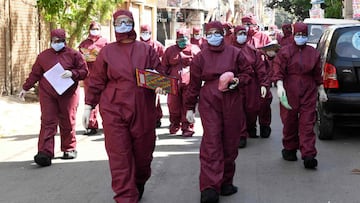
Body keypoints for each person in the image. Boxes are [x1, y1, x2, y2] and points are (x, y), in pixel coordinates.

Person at [82, 9, 164, 202]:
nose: (124, 25)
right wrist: (88, 106)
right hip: (113, 108)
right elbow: (96, 81)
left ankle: (139, 181)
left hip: (142, 107)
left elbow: (162, 77)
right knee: (119, 154)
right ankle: (126, 196)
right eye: (120, 22)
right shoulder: (107, 52)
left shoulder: (146, 50)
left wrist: (158, 81)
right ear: (114, 25)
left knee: (143, 154)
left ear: (133, 24)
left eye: (127, 21)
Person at [184, 21, 252, 203]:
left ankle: (225, 182)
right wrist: (189, 107)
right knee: (212, 142)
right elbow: (194, 84)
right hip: (209, 100)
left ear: (223, 34)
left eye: (217, 32)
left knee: (230, 142)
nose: (214, 36)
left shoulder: (235, 53)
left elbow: (247, 72)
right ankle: (209, 187)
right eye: (210, 33)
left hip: (232, 98)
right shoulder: (200, 57)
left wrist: (238, 80)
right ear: (206, 35)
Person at [19, 28, 88, 167]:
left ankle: (69, 148)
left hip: (68, 94)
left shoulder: (74, 55)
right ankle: (45, 152)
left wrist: (72, 73)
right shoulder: (43, 56)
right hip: (48, 94)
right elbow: (35, 73)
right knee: (48, 121)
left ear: (65, 41)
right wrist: (25, 88)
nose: (58, 43)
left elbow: (84, 71)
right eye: (55, 41)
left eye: (61, 41)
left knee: (68, 119)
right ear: (51, 41)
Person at [272, 22, 328, 169]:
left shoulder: (313, 53)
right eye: (298, 35)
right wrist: (279, 85)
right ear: (294, 34)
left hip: (308, 90)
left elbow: (317, 73)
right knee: (289, 121)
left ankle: (308, 154)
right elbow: (278, 69)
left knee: (307, 123)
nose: (300, 37)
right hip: (290, 89)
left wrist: (321, 89)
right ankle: (290, 148)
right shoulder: (285, 52)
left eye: (303, 35)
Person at [232, 25, 270, 148]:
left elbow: (261, 69)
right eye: (239, 34)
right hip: (235, 84)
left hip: (251, 84)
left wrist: (264, 84)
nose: (241, 36)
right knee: (237, 110)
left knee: (252, 108)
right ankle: (241, 135)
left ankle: (251, 127)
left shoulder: (253, 51)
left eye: (244, 33)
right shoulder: (229, 50)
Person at [162, 28, 200, 137]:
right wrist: (162, 81)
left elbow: (201, 66)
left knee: (188, 105)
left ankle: (187, 126)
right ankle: (174, 124)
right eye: (180, 39)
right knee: (173, 105)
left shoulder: (195, 49)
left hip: (189, 82)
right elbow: (164, 66)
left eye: (185, 38)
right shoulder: (170, 50)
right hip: (173, 82)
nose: (182, 41)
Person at [78, 21, 108, 135]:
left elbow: (110, 56)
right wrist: (84, 57)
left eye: (97, 28)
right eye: (93, 28)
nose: (95, 30)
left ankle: (108, 124)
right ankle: (91, 125)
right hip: (89, 76)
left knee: (105, 101)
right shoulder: (84, 43)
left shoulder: (105, 42)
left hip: (103, 75)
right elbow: (78, 57)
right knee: (90, 101)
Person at [139, 24, 166, 128]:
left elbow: (165, 57)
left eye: (147, 32)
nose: (145, 34)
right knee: (141, 97)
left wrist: (160, 71)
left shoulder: (157, 45)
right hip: (140, 74)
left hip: (154, 74)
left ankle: (156, 118)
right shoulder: (136, 45)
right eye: (143, 32)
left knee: (155, 98)